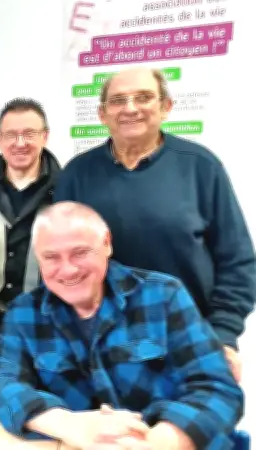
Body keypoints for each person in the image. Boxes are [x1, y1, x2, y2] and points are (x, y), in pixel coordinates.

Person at [0, 202, 243, 449]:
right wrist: (70, 424)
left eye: (80, 253)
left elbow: (218, 389)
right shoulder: (23, 312)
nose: (68, 270)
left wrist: (157, 442)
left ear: (106, 243)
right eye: (51, 257)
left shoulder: (164, 295)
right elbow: (0, 383)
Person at [53, 67, 255, 382]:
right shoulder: (76, 175)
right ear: (102, 114)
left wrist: (222, 334)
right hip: (99, 350)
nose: (131, 108)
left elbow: (237, 261)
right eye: (118, 100)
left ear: (166, 107)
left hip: (188, 344)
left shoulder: (201, 167)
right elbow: (57, 262)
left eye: (144, 97)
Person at [0, 98, 60, 316]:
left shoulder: (65, 188)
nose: (20, 143)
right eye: (10, 135)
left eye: (29, 134)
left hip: (46, 316)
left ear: (45, 136)